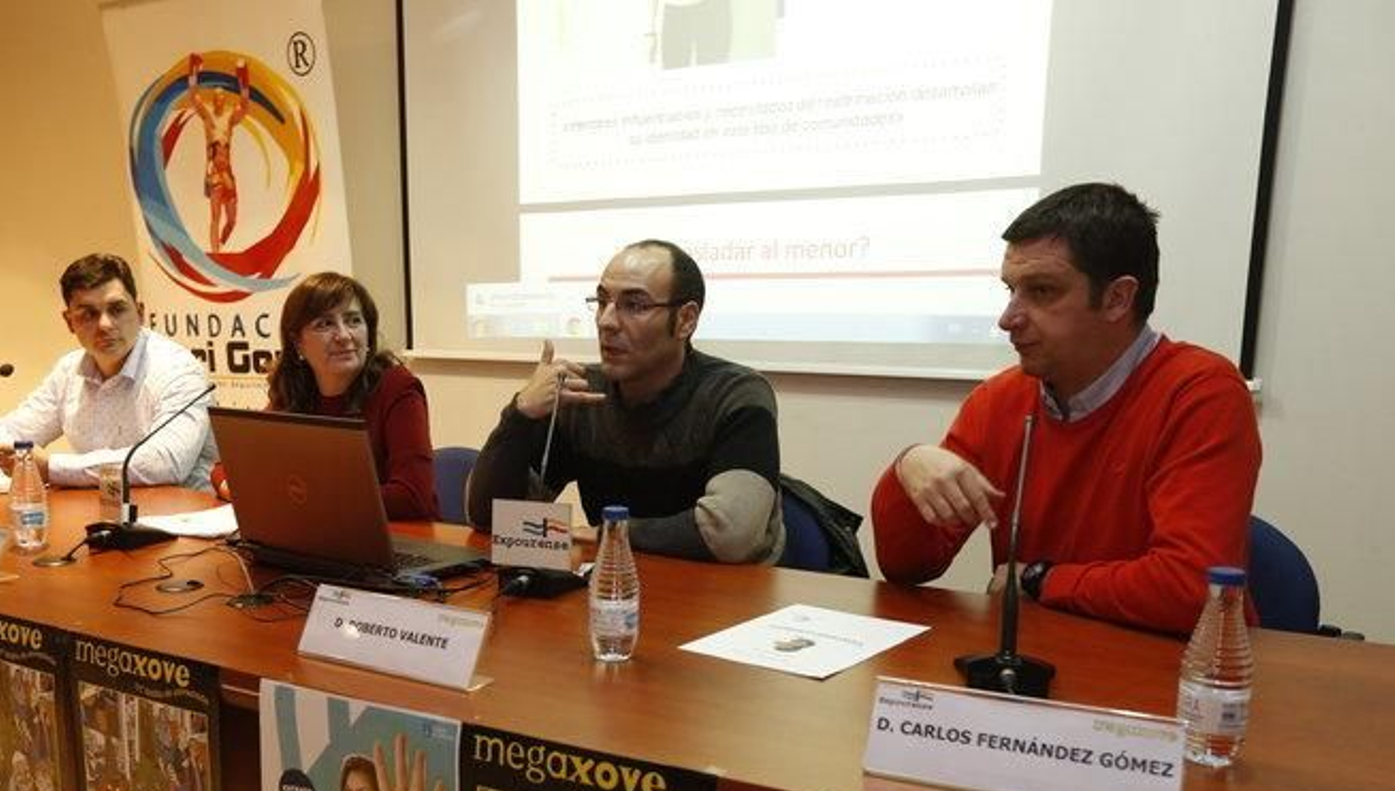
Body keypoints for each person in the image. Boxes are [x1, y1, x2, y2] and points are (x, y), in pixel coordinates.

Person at [870, 183, 1262, 634]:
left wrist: (1041, 579)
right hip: (1039, 662)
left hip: (1166, 675)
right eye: (1010, 290)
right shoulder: (1001, 399)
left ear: (1118, 298)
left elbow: (1190, 589)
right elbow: (910, 567)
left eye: (1041, 291)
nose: (1008, 318)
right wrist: (908, 469)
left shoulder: (1199, 392)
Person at [466, 239, 784, 563]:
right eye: (602, 302)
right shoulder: (583, 395)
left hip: (727, 595)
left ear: (686, 320)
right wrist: (519, 414)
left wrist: (609, 533)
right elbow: (489, 518)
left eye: (634, 305)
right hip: (615, 588)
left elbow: (731, 535)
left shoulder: (734, 394)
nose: (606, 321)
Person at [0, 253, 218, 490]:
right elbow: (18, 429)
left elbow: (166, 461)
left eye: (117, 309)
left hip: (182, 522)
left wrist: (52, 468)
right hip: (102, 514)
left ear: (140, 312)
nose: (105, 325)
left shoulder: (179, 370)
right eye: (88, 314)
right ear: (70, 322)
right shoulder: (69, 370)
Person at [209, 272, 438, 519]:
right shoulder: (294, 392)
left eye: (353, 320)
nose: (344, 335)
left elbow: (413, 497)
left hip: (404, 540)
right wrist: (240, 490)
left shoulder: (397, 387)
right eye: (325, 324)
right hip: (321, 535)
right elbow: (227, 468)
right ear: (297, 342)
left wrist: (302, 498)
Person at [186, 53, 250, 251]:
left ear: (225, 99)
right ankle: (216, 255)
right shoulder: (208, 119)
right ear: (213, 100)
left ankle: (221, 243)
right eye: (216, 96)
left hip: (228, 172)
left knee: (232, 220)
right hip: (215, 172)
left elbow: (245, 104)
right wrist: (193, 70)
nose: (219, 98)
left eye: (222, 96)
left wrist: (243, 78)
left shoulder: (230, 118)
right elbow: (194, 97)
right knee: (215, 216)